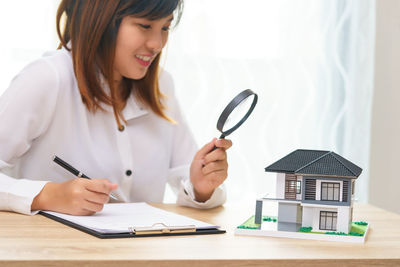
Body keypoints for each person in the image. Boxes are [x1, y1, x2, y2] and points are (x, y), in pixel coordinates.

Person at [0, 0, 231, 216]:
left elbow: (186, 175)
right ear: (101, 21)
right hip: (57, 252)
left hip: (139, 255)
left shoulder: (162, 84)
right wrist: (46, 195)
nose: (157, 44)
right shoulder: (47, 78)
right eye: (144, 26)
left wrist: (201, 187)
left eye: (165, 28)